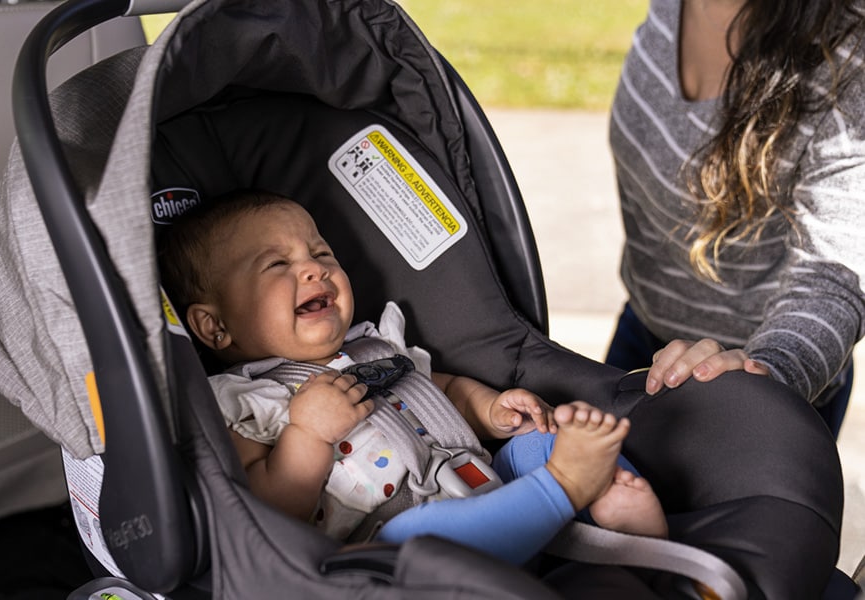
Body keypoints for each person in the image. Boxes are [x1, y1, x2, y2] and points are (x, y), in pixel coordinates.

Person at [157, 190, 667, 566]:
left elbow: (440, 390)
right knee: (420, 535)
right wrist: (306, 434)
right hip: (383, 547)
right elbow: (264, 508)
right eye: (277, 264)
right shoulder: (242, 402)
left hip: (479, 481)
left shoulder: (377, 346)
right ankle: (569, 489)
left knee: (541, 437)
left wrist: (491, 408)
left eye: (321, 254)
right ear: (214, 325)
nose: (313, 270)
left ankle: (619, 513)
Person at [606, 0, 865, 437]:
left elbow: (833, 280)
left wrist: (764, 374)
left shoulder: (848, 61)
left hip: (750, 388)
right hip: (643, 332)